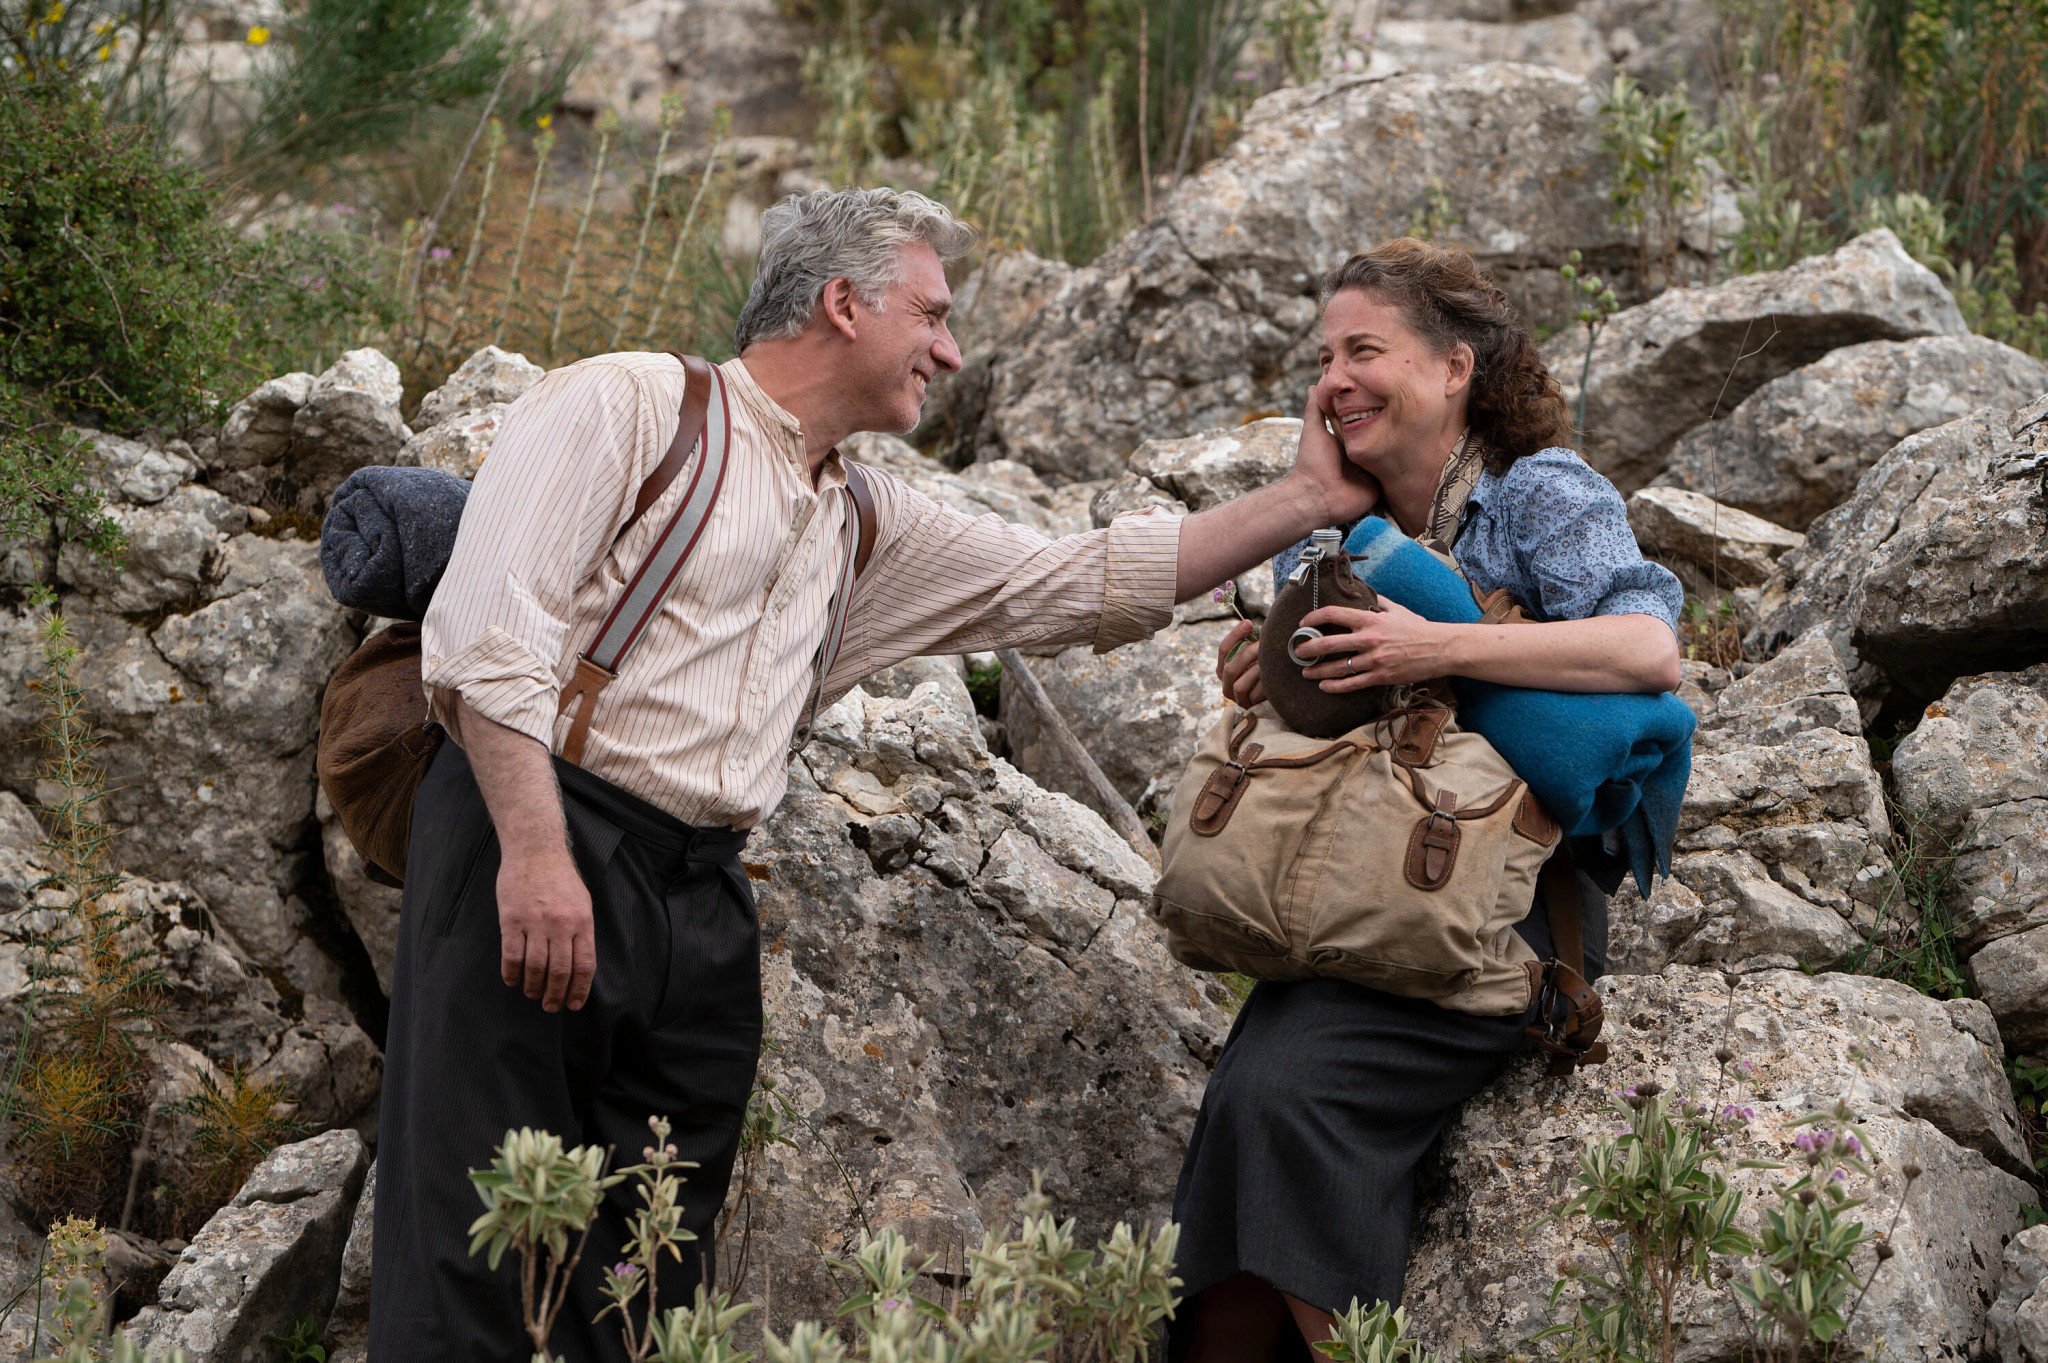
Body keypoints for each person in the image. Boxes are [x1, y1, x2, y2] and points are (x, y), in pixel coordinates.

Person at [366, 186, 1385, 1363]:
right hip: (536, 828)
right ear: (842, 303)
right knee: (476, 1238)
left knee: (648, 1258)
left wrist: (1309, 499)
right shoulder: (630, 401)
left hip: (700, 894)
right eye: (932, 313)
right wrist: (538, 856)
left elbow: (1078, 578)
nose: (950, 350)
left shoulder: (863, 514)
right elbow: (489, 633)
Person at [1171, 237, 1684, 1362]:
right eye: (1324, 357)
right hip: (1354, 894)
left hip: (1500, 915)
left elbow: (1650, 649)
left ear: (1454, 367)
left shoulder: (1536, 491)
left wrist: (1433, 640)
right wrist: (1266, 669)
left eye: (1366, 350)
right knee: (1241, 1108)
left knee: (1283, 1098)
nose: (1336, 379)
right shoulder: (1331, 528)